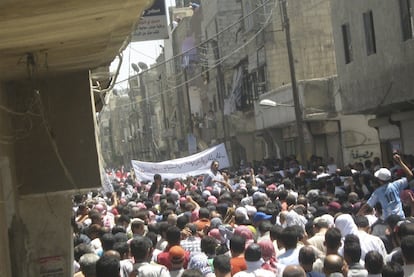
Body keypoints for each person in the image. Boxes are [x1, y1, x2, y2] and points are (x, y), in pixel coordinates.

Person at [358, 154, 413, 220]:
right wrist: (400, 162)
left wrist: (357, 215)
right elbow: (410, 175)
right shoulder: (396, 185)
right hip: (400, 217)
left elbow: (367, 205)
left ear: (380, 181)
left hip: (389, 220)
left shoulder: (377, 192)